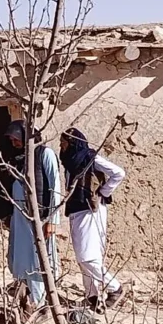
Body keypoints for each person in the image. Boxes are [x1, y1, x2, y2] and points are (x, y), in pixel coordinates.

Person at [60, 128, 126, 311]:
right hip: (76, 211)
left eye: (65, 143)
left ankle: (115, 288)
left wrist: (102, 193)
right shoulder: (70, 163)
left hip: (91, 210)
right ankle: (93, 297)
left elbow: (118, 173)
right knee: (83, 258)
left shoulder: (90, 157)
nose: (62, 147)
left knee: (88, 256)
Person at [4, 121, 63, 308]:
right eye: (11, 140)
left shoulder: (45, 154)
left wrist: (53, 220)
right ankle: (24, 294)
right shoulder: (20, 159)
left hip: (39, 217)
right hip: (20, 217)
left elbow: (55, 187)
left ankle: (39, 301)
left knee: (37, 258)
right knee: (19, 256)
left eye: (16, 139)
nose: (14, 143)